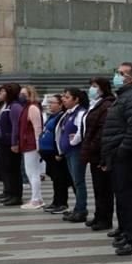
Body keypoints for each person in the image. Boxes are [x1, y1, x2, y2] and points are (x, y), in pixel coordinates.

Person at [100, 62, 132, 256]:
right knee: (121, 196)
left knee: (128, 198)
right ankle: (125, 231)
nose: (116, 76)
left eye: (120, 73)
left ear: (130, 78)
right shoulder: (122, 97)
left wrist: (122, 150)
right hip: (116, 155)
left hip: (125, 157)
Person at [81, 78, 116, 231]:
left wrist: (93, 146)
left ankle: (105, 219)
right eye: (91, 86)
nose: (91, 89)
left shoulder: (107, 104)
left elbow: (102, 130)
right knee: (98, 187)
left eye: (95, 86)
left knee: (104, 189)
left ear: (103, 88)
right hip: (94, 153)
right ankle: (98, 215)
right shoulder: (96, 104)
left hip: (101, 152)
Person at [57, 88, 88, 222]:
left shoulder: (80, 113)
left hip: (76, 151)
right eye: (63, 96)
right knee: (75, 181)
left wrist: (73, 141)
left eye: (67, 97)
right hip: (68, 152)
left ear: (76, 99)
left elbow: (82, 131)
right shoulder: (68, 113)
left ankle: (81, 210)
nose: (63, 99)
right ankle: (77, 208)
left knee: (78, 181)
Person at [40, 93, 70, 214]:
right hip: (47, 153)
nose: (49, 105)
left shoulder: (62, 117)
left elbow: (60, 135)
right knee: (55, 179)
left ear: (60, 105)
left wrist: (59, 152)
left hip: (55, 153)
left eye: (52, 103)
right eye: (49, 103)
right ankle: (55, 202)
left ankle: (62, 203)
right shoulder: (52, 116)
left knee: (60, 179)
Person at [0, 84, 24, 206]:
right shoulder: (5, 105)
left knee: (13, 169)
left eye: (2, 92)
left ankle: (16, 195)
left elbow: (16, 126)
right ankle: (9, 192)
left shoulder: (15, 106)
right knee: (6, 169)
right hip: (3, 142)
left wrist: (14, 142)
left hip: (10, 143)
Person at [18, 85, 44, 209]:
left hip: (32, 144)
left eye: (24, 94)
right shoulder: (27, 107)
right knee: (31, 172)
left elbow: (37, 127)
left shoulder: (32, 107)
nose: (21, 96)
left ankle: (35, 200)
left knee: (32, 172)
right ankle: (38, 198)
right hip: (27, 143)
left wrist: (39, 145)